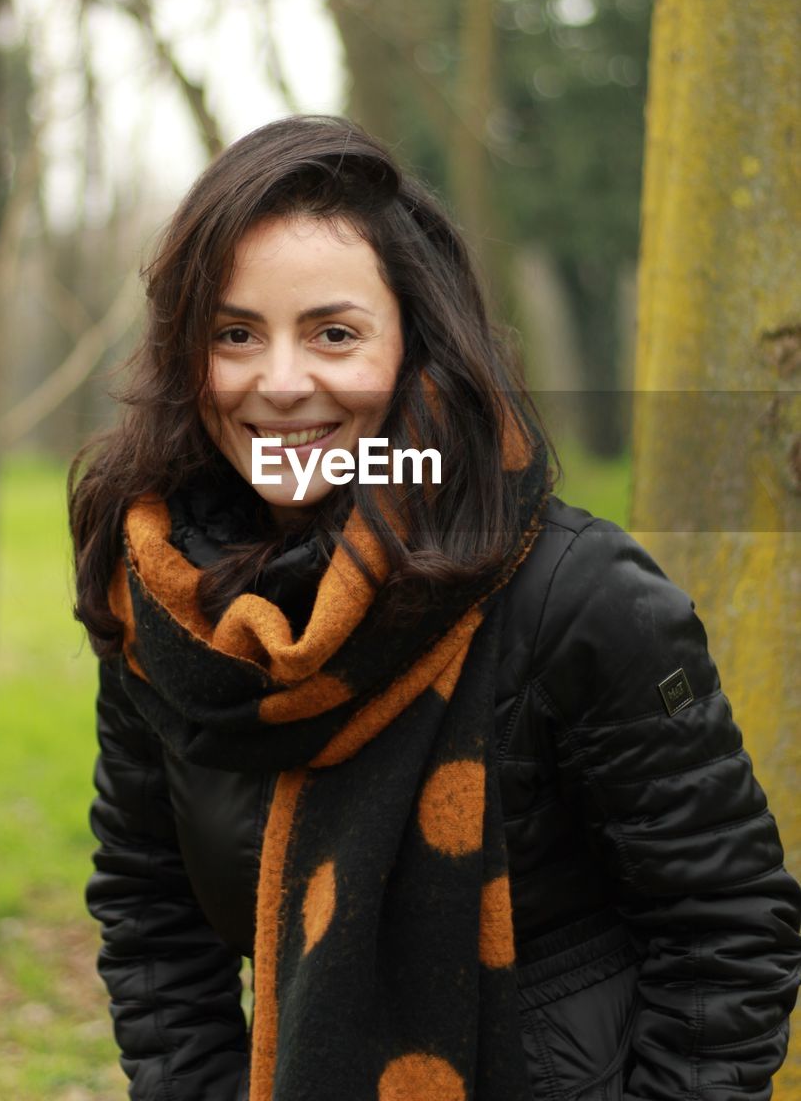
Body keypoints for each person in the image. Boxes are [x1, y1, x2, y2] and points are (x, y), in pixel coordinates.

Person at [69, 116, 800, 1101]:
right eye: (234, 334)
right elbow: (149, 907)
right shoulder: (163, 604)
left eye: (334, 333)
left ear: (417, 342)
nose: (280, 383)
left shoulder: (575, 594)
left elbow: (724, 926)